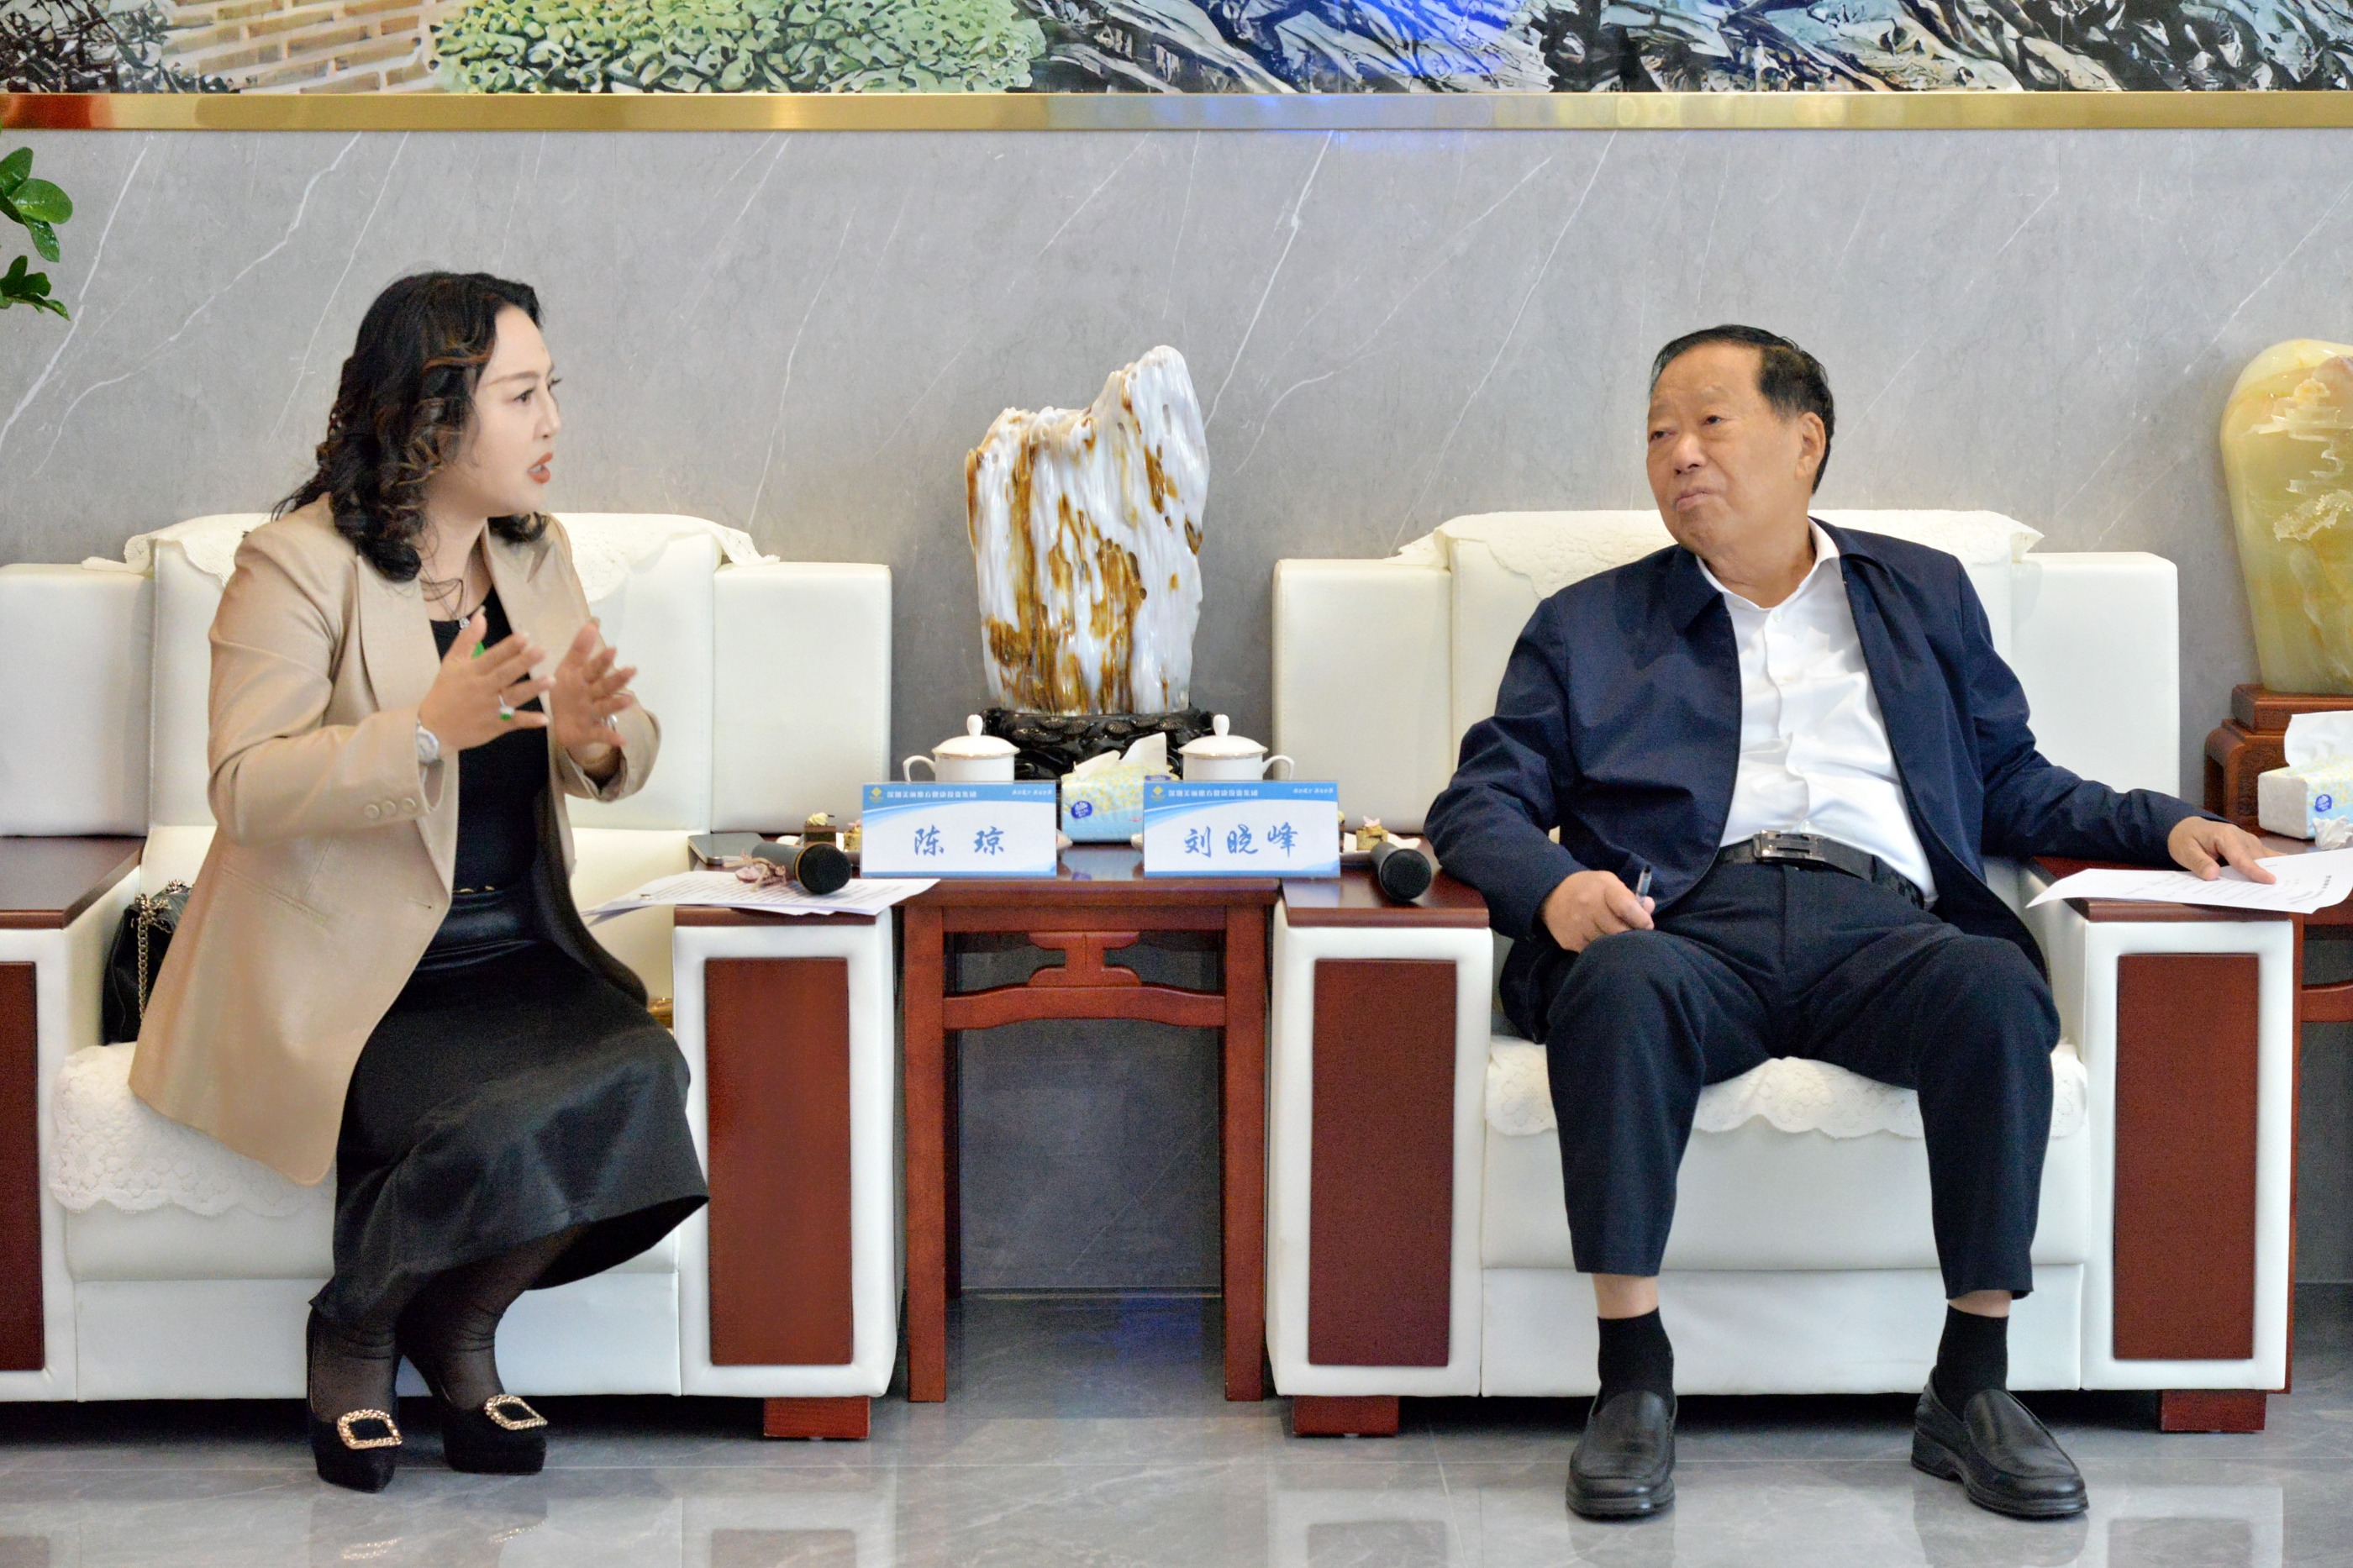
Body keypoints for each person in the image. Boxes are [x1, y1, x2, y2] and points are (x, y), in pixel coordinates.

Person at [1424, 325, 2271, 1523]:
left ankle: (1971, 1387)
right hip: (1685, 924)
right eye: (1658, 432)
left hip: (1883, 924)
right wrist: (1557, 890)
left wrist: (2165, 823)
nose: (1678, 453)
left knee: (1996, 990)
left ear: (1804, 440)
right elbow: (1480, 800)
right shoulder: (1588, 624)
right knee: (1614, 985)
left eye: (1709, 421)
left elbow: (2009, 780)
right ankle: (1633, 1381)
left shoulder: (1922, 593)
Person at [129, 272, 708, 1492]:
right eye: (521, 395)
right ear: (435, 413)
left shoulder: (533, 553)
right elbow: (243, 785)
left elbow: (615, 736)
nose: (553, 421)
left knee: (644, 1076)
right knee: (489, 1117)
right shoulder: (296, 565)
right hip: (364, 975)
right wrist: (427, 731)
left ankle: (447, 1322)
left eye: (552, 390)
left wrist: (594, 738)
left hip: (520, 951)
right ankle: (358, 1332)